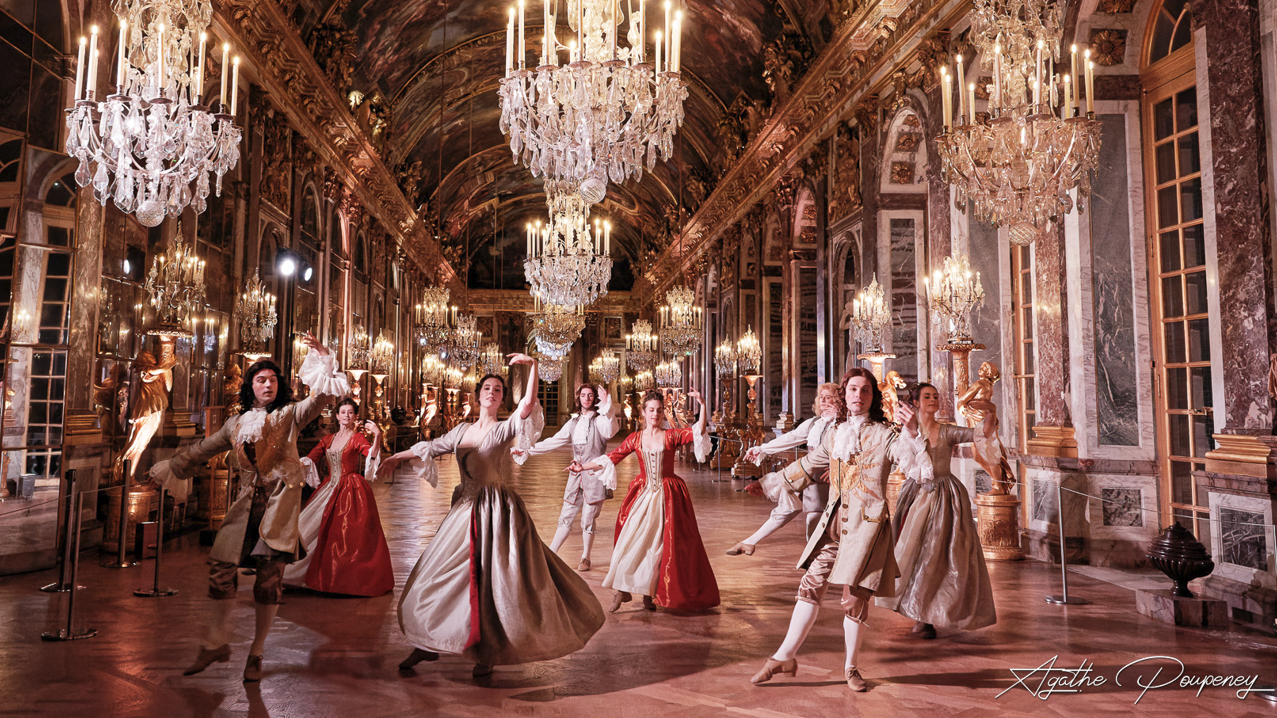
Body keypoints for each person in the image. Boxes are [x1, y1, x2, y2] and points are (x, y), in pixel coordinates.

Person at [376, 354, 605, 677]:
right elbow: (432, 446)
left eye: (498, 389)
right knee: (442, 575)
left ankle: (489, 653)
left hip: (496, 510)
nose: (492, 393)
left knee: (496, 583)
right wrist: (396, 456)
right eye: (487, 388)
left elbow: (527, 403)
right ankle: (428, 643)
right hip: (464, 509)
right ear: (478, 394)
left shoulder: (503, 428)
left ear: (501, 398)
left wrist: (533, 366)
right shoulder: (460, 431)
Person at [150, 333, 347, 682]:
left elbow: (321, 399)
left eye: (272, 379)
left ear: (279, 385)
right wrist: (172, 467)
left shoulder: (289, 414)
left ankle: (256, 652)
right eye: (260, 380)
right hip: (244, 509)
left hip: (277, 509)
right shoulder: (236, 423)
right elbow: (203, 450)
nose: (267, 384)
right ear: (251, 387)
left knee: (267, 584)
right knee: (220, 571)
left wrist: (324, 357)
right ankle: (215, 642)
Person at [750, 367, 905, 692]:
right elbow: (808, 465)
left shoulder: (885, 434)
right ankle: (784, 656)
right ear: (844, 394)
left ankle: (851, 668)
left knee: (855, 601)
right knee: (810, 585)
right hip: (835, 526)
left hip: (868, 531)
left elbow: (909, 459)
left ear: (873, 396)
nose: (858, 396)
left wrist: (913, 432)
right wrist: (769, 479)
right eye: (852, 390)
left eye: (865, 390)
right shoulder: (836, 434)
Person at [571, 389, 719, 613]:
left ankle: (650, 593)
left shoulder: (671, 436)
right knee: (631, 543)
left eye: (659, 411)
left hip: (669, 496)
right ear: (643, 412)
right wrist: (583, 467)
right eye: (651, 410)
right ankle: (621, 590)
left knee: (661, 548)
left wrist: (703, 404)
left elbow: (697, 431)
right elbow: (612, 457)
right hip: (643, 495)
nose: (655, 414)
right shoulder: (636, 438)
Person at [879, 383, 998, 639]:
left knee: (940, 556)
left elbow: (981, 432)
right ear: (915, 403)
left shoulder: (946, 431)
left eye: (935, 396)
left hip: (947, 498)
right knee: (915, 555)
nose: (933, 400)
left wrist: (991, 410)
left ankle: (935, 613)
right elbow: (899, 461)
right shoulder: (904, 433)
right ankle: (918, 611)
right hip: (916, 496)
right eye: (927, 396)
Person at [282, 398, 393, 597]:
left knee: (345, 535)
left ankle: (343, 578)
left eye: (351, 413)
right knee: (311, 527)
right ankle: (300, 571)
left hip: (351, 489)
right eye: (343, 412)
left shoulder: (358, 438)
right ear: (337, 415)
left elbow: (371, 456)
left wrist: (377, 435)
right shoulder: (328, 439)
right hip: (329, 486)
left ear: (355, 417)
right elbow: (311, 458)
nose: (347, 416)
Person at [728, 382, 844, 555]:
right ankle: (750, 542)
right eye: (822, 397)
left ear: (839, 401)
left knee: (819, 525)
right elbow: (791, 437)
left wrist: (838, 467)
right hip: (809, 475)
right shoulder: (814, 423)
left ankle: (818, 567)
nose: (824, 401)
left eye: (829, 398)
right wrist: (762, 449)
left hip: (830, 480)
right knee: (788, 508)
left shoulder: (843, 425)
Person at [512, 384, 616, 571]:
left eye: (590, 395)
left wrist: (608, 405)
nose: (587, 398)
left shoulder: (601, 421)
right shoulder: (573, 424)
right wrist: (527, 450)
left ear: (595, 398)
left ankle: (586, 557)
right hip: (575, 477)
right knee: (565, 516)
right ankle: (551, 553)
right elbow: (554, 441)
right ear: (579, 398)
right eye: (583, 395)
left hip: (594, 476)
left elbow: (610, 431)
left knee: (587, 519)